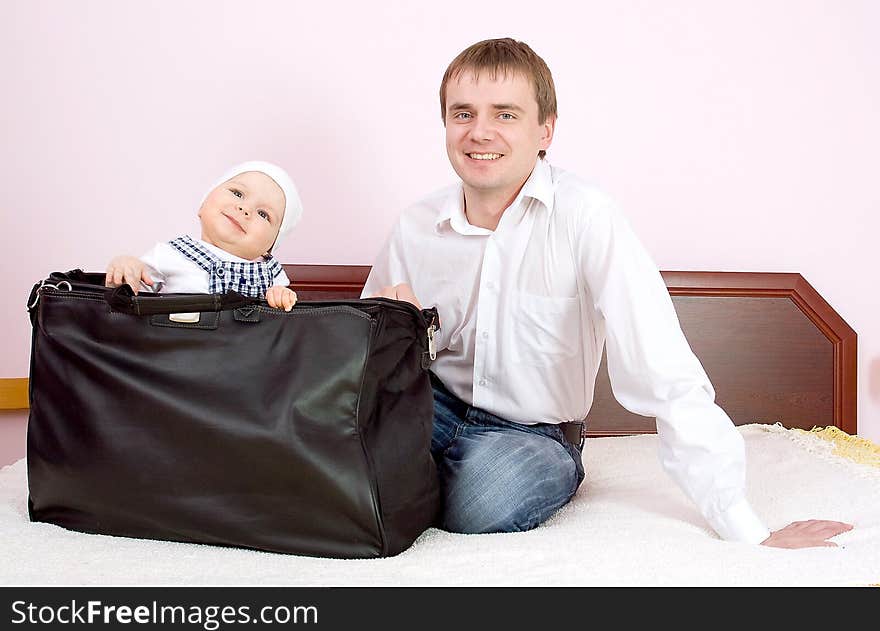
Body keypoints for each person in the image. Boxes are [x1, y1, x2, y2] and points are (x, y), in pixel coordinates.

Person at [362, 37, 852, 548]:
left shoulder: (587, 216)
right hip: (431, 406)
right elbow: (364, 360)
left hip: (530, 435)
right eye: (463, 113)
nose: (479, 132)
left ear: (545, 130)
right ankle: (401, 476)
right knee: (343, 445)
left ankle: (409, 482)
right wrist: (398, 329)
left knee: (485, 498)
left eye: (505, 115)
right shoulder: (415, 226)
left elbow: (660, 362)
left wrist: (741, 523)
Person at [105, 161, 301, 311]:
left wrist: (280, 296)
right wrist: (127, 267)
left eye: (263, 214)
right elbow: (134, 296)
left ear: (271, 245)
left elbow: (279, 324)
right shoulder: (170, 254)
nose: (245, 209)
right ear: (203, 205)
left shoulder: (269, 272)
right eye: (238, 193)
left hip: (242, 357)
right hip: (177, 352)